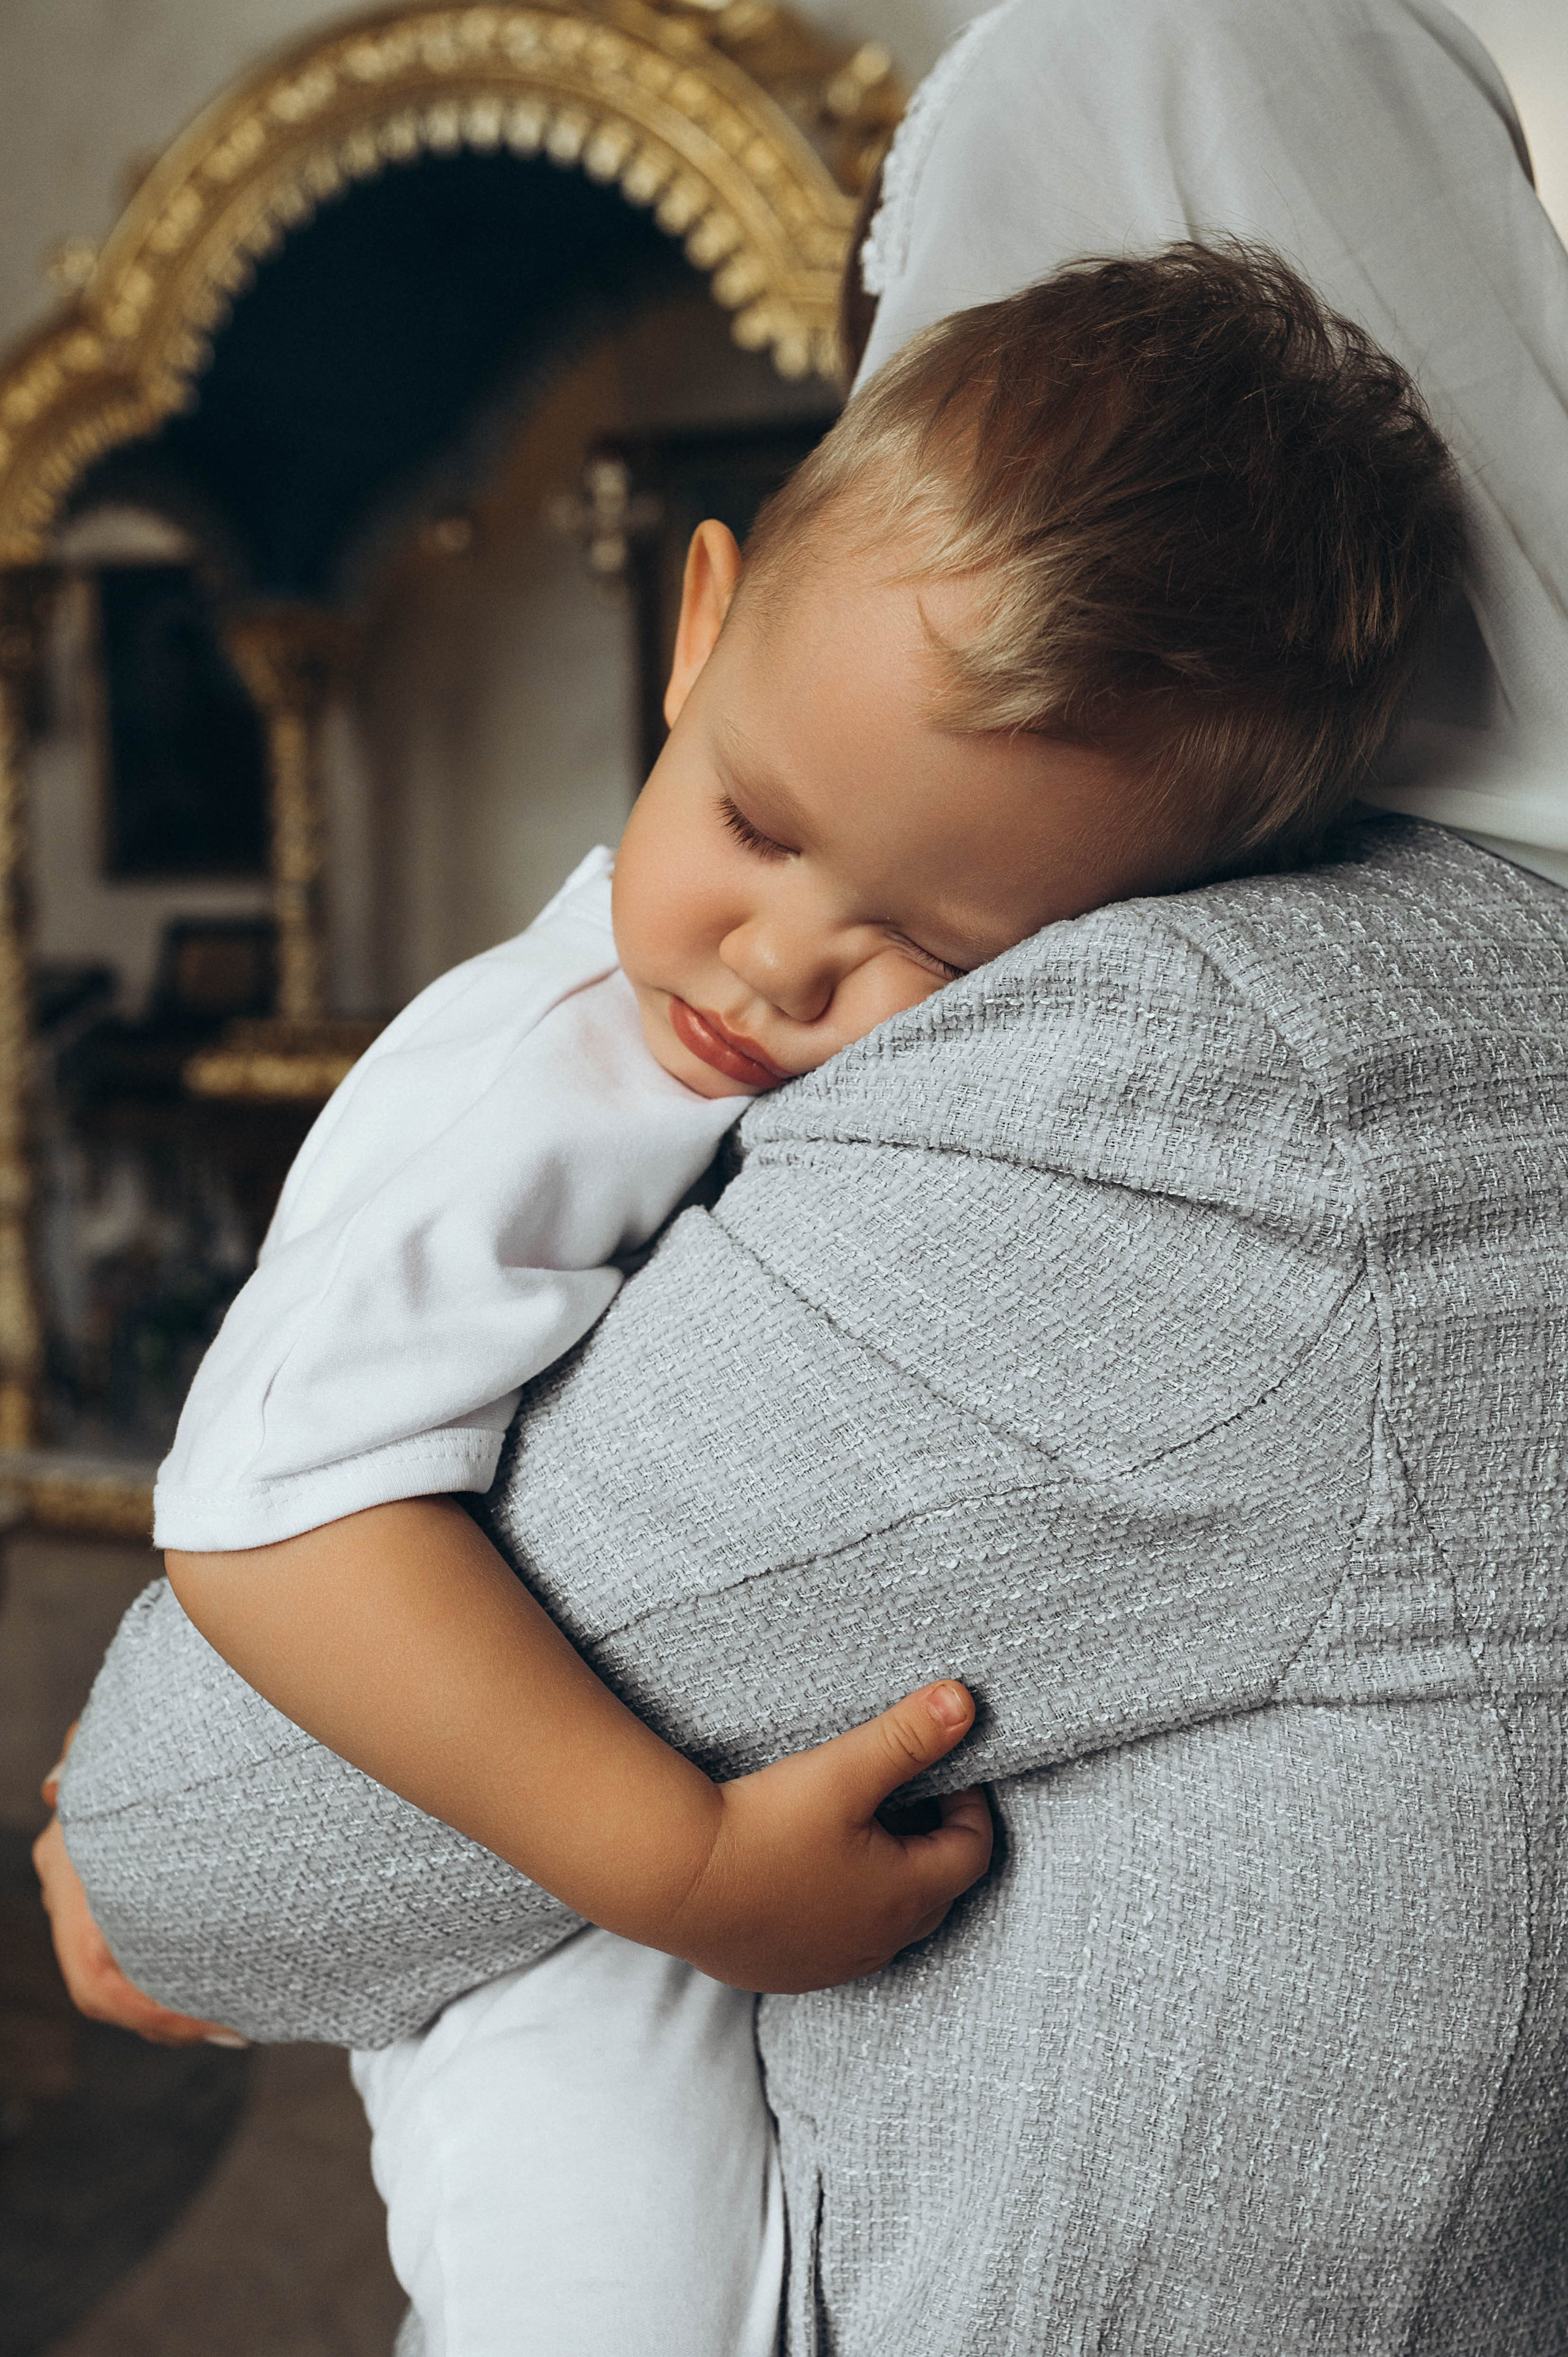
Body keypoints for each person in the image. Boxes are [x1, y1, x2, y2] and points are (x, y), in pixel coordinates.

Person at [37, 0, 1568, 2346]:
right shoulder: (533, 1075)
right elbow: (267, 1519)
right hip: (542, 1839)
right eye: (753, 823)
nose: (774, 961)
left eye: (940, 950)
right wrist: (682, 1871)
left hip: (668, 1816)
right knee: (611, 2297)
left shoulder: (1209, 1039)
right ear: (698, 623)